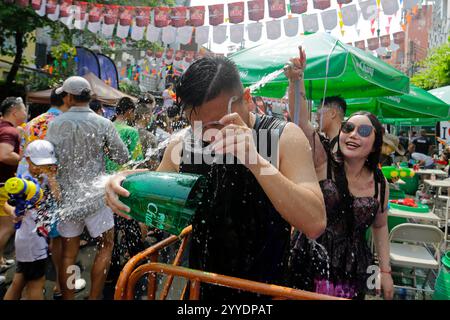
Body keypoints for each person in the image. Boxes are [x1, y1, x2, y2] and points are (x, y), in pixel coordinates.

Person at [104, 56, 326, 300]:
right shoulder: (183, 143)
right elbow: (154, 199)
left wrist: (255, 161)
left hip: (268, 290)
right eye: (199, 127)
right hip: (202, 288)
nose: (211, 137)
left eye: (220, 123)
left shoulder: (282, 137)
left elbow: (314, 223)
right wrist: (123, 184)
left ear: (248, 100)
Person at [285, 49, 394, 300]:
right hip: (310, 260)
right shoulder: (324, 160)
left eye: (364, 131)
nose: (353, 134)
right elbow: (301, 123)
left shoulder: (379, 183)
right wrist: (296, 80)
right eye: (349, 128)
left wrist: (385, 270)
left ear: (375, 145)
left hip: (353, 270)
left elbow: (380, 225)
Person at [45, 76, 129, 300]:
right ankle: (94, 297)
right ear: (89, 96)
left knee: (68, 255)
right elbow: (122, 155)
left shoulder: (55, 124)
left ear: (70, 97)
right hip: (96, 198)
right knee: (106, 245)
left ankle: (69, 297)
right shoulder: (103, 123)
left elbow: (48, 161)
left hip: (68, 199)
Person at [21, 87, 86, 299]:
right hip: (54, 188)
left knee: (34, 237)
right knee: (61, 242)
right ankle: (61, 285)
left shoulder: (34, 122)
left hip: (27, 188)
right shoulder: (64, 124)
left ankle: (29, 283)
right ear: (67, 100)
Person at [3, 140, 59, 300]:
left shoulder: (45, 177)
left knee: (19, 281)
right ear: (27, 160)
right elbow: (8, 204)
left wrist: (51, 177)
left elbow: (58, 198)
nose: (41, 168)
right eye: (38, 164)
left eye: (47, 164)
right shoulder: (23, 183)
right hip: (31, 241)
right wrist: (13, 212)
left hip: (32, 239)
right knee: (36, 283)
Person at [0, 97, 27, 283]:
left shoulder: (3, 128)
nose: (26, 112)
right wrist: (22, 157)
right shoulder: (9, 131)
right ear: (15, 111)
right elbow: (4, 155)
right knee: (6, 227)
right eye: (23, 108)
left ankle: (0, 259)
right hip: (3, 185)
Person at [105, 97, 144, 172]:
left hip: (104, 175)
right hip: (122, 175)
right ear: (130, 111)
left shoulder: (107, 127)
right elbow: (137, 159)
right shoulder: (131, 131)